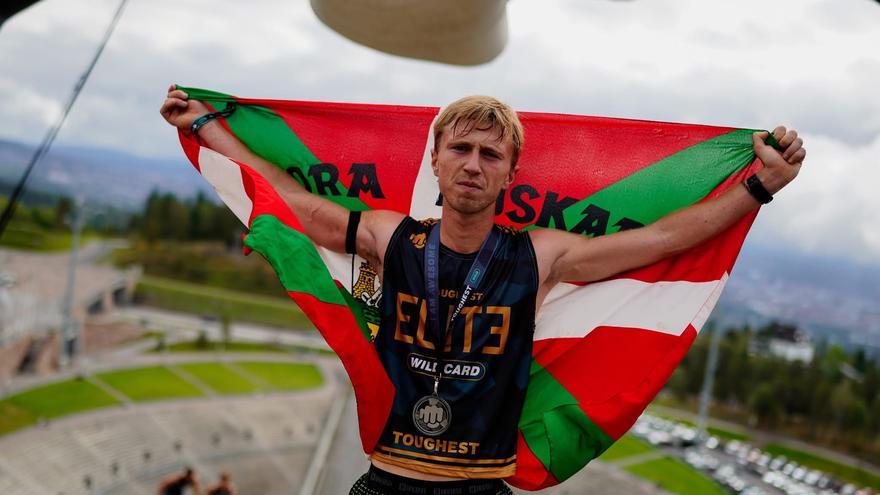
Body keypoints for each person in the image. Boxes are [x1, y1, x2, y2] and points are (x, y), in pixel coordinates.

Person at [161, 86, 805, 495]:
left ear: (510, 174)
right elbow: (293, 202)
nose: (473, 164)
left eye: (490, 155)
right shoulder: (391, 239)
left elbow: (663, 240)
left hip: (484, 486)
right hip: (389, 479)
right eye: (460, 149)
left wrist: (758, 186)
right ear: (435, 161)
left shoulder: (541, 255)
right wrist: (207, 123)